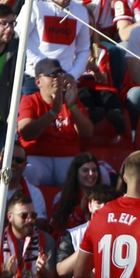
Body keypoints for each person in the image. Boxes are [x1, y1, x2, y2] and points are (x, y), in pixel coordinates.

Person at [18, 59, 94, 192]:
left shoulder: (71, 100)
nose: (56, 79)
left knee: (95, 173)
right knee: (29, 171)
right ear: (38, 82)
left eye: (59, 75)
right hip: (37, 157)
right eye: (51, 75)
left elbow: (88, 132)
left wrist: (72, 106)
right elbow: (27, 133)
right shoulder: (29, 100)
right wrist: (54, 111)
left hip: (67, 157)